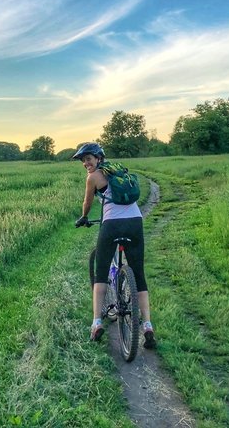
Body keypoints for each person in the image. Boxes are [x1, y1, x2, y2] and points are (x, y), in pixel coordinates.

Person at [73, 142, 156, 349]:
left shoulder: (92, 178)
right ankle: (147, 326)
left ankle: (96, 322)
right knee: (139, 274)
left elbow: (87, 203)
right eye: (83, 161)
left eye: (88, 159)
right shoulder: (118, 169)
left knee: (100, 274)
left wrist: (84, 217)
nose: (85, 163)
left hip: (112, 225)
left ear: (98, 158)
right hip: (135, 222)